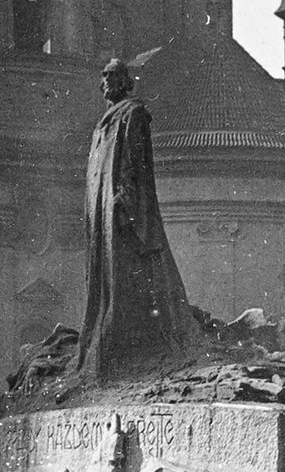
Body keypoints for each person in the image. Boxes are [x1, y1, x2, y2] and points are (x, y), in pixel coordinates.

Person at [75, 57, 196, 381]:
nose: (104, 81)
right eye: (103, 75)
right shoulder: (104, 122)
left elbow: (136, 163)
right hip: (101, 212)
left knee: (125, 276)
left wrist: (125, 200)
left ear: (123, 81)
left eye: (110, 75)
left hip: (119, 209)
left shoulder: (133, 114)